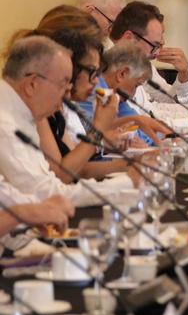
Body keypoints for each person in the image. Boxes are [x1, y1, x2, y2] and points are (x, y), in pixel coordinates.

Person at [0, 35, 135, 206]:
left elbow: (47, 185)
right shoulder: (6, 125)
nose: (67, 94)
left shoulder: (23, 113)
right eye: (62, 84)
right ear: (32, 84)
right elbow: (46, 194)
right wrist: (129, 184)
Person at [109, 1, 188, 108]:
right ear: (129, 38)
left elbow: (171, 102)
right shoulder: (105, 67)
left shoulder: (140, 63)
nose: (158, 51)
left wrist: (184, 73)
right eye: (154, 45)